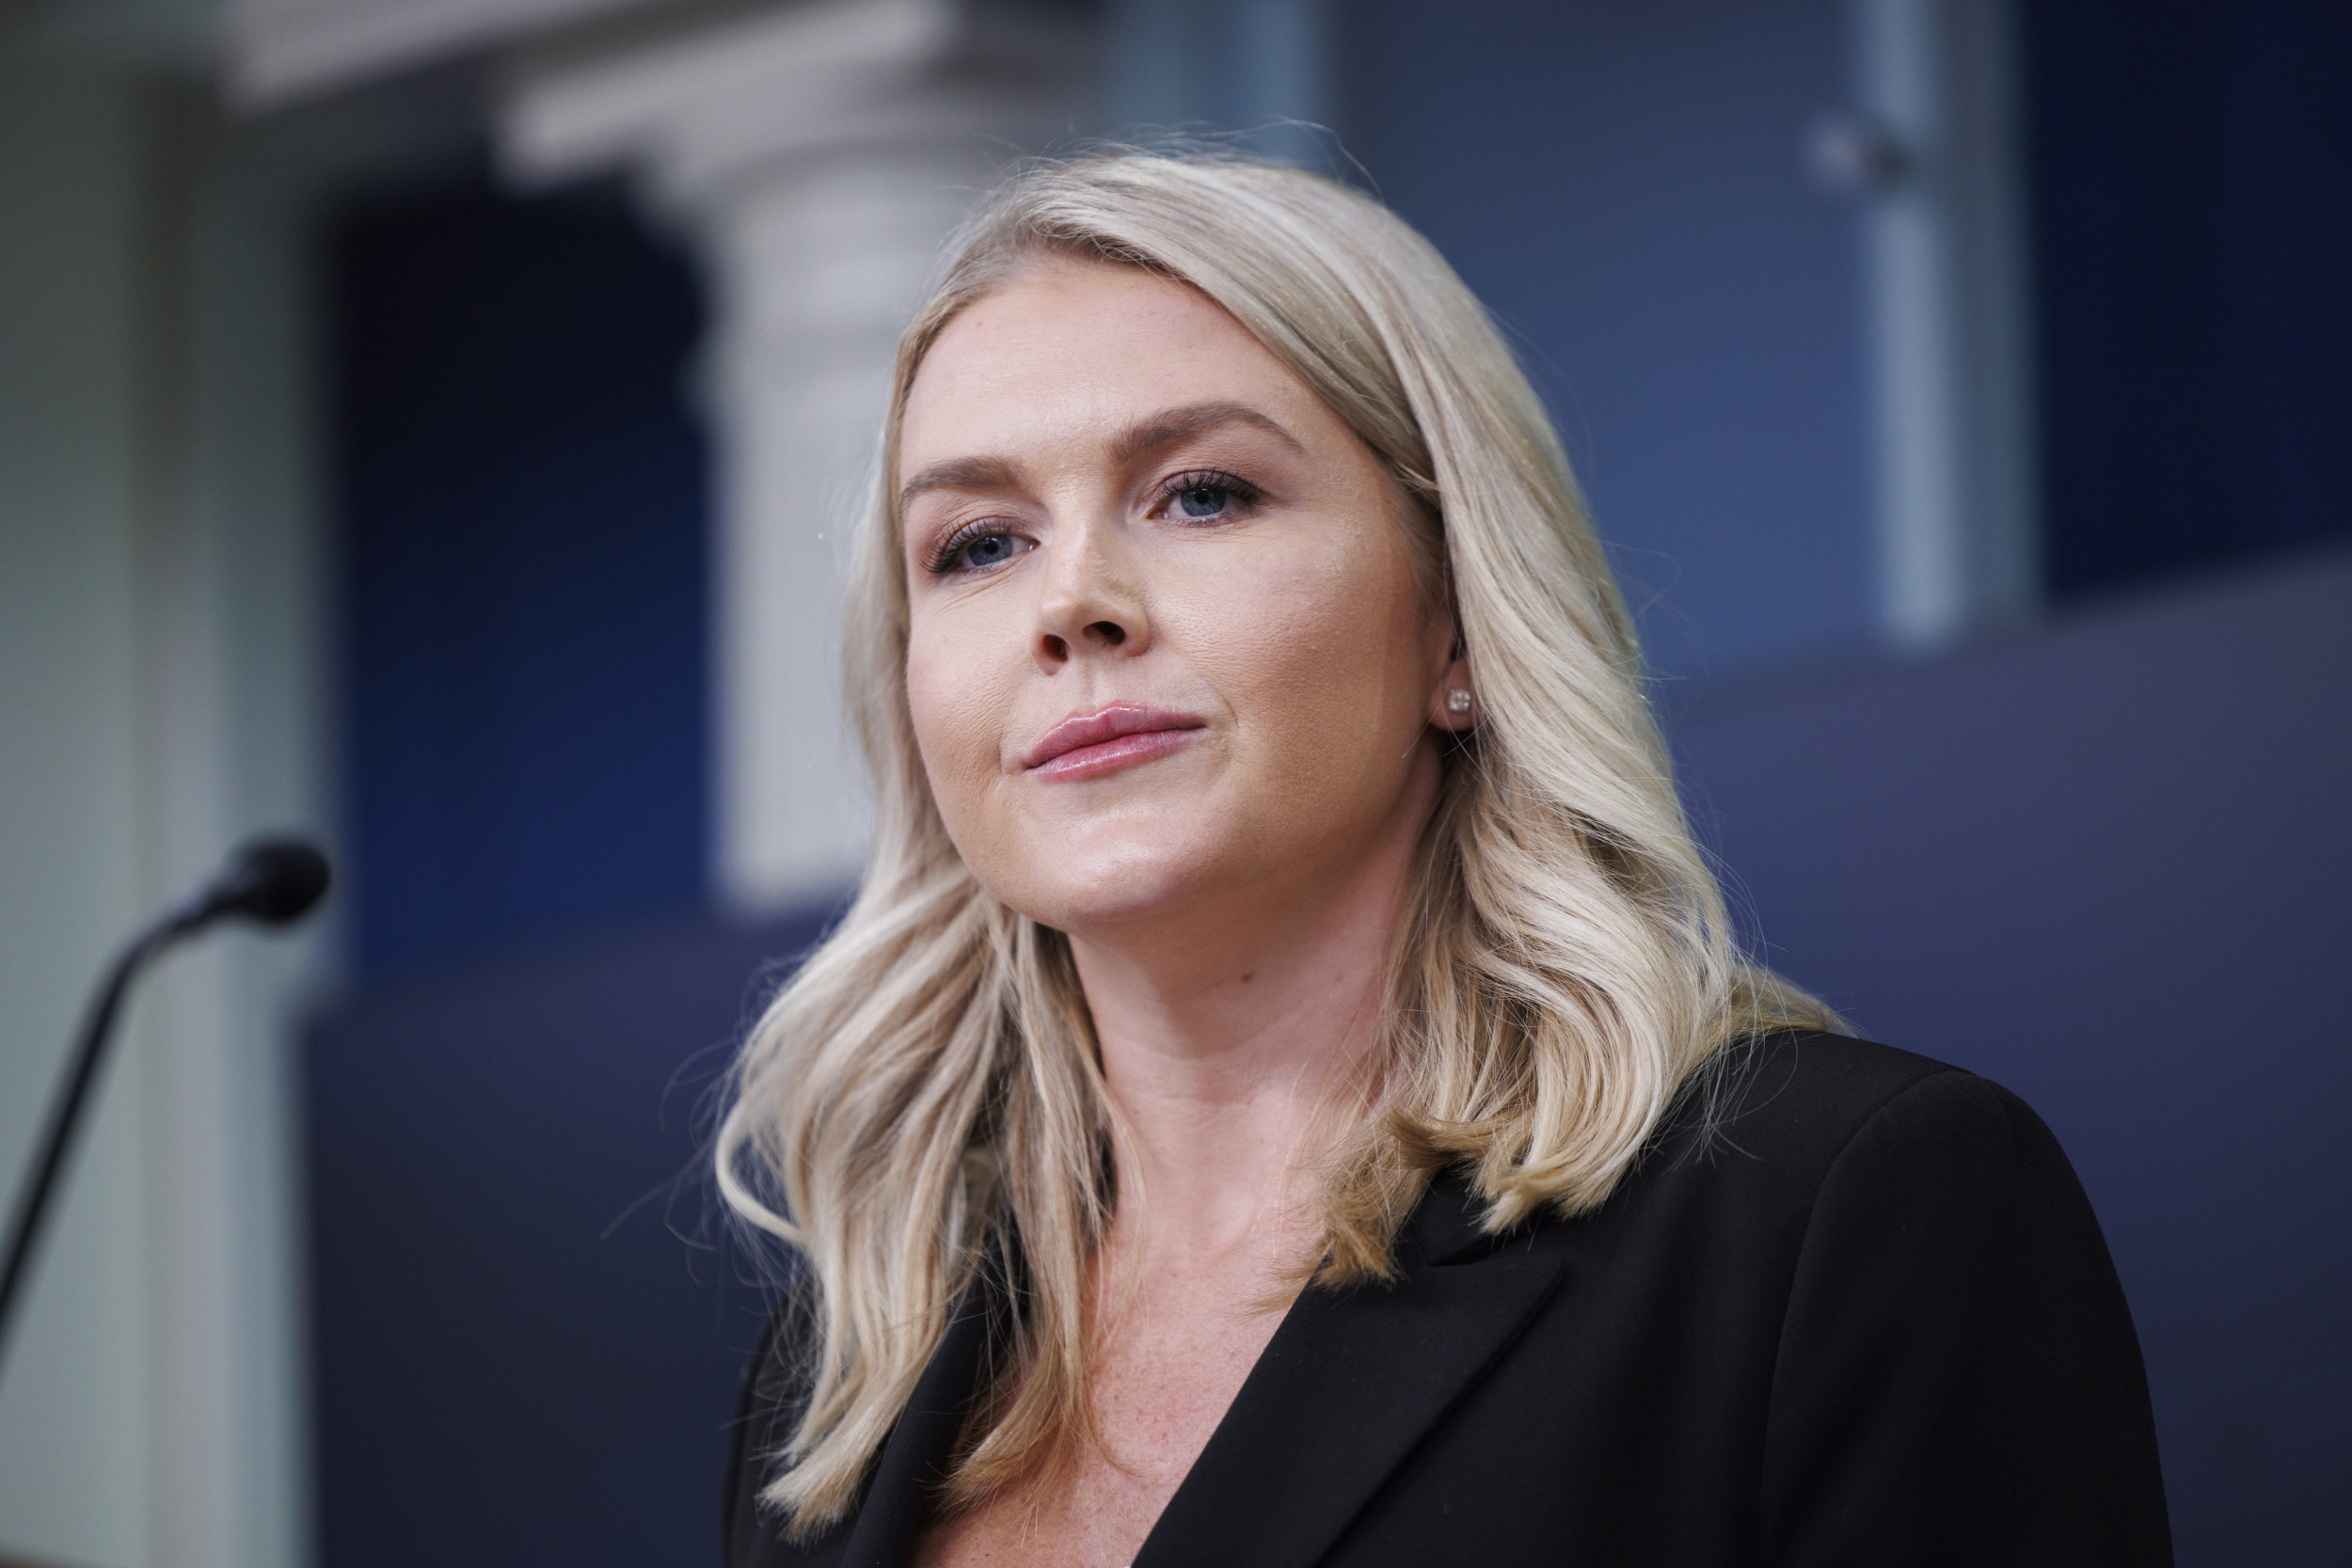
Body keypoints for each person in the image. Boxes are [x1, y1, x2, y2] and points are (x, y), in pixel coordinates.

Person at [714, 149, 2170, 1567]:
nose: (1072, 601)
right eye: (976, 544)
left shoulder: (1838, 1215)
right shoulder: (857, 1361)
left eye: (1203, 493)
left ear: (1457, 621)